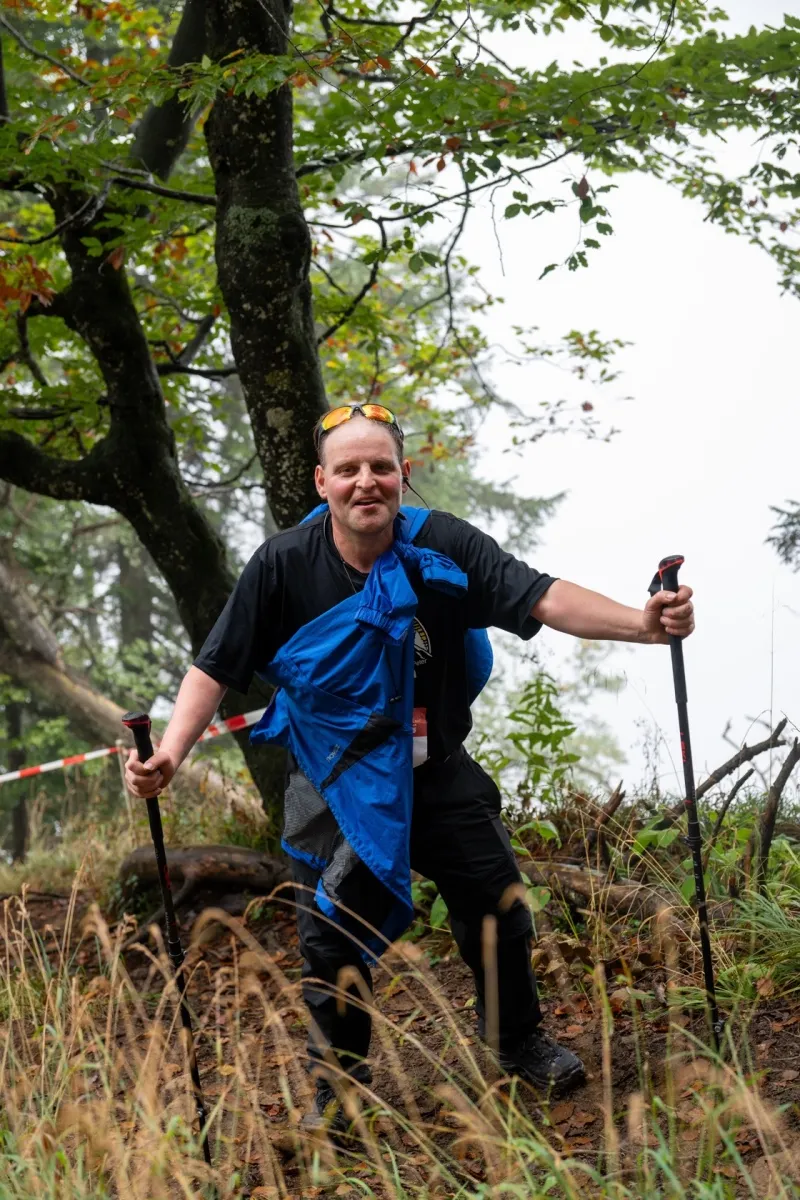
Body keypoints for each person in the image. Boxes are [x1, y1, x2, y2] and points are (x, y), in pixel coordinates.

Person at [125, 402, 694, 1130]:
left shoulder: (447, 546)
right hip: (340, 779)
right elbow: (215, 665)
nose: (368, 482)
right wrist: (169, 752)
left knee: (498, 903)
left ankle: (519, 1042)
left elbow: (543, 596)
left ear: (403, 476)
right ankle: (339, 1090)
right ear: (322, 482)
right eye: (349, 469)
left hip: (437, 768)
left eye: (381, 468)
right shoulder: (283, 565)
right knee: (331, 936)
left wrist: (643, 626)